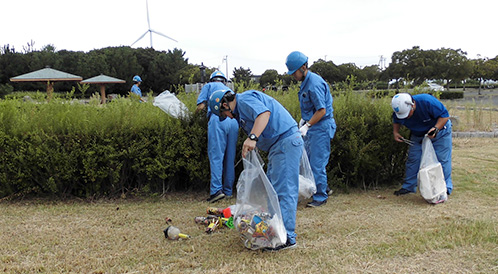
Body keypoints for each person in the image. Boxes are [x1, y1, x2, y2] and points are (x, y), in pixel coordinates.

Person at [208, 89, 303, 251]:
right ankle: (276, 233)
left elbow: (264, 114)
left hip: (285, 143)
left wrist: (253, 137)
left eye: (225, 115)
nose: (228, 118)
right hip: (277, 147)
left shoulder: (243, 100)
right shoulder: (240, 111)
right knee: (273, 191)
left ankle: (287, 238)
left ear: (225, 104)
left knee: (284, 191)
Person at [285, 51, 337, 208]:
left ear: (303, 67)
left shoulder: (313, 83)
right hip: (314, 126)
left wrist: (307, 125)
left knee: (316, 163)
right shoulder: (306, 82)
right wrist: (305, 121)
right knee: (309, 160)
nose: (293, 75)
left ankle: (321, 196)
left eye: (294, 72)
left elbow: (322, 110)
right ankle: (323, 188)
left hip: (320, 127)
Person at [391, 92, 453, 200]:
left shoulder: (427, 101)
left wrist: (436, 129)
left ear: (412, 105)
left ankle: (445, 187)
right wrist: (396, 132)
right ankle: (409, 186)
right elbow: (396, 120)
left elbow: (444, 116)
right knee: (413, 159)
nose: (407, 116)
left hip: (440, 131)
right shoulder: (399, 109)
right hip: (418, 135)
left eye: (407, 113)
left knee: (442, 159)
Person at [196, 71, 239, 203]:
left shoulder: (208, 86)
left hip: (218, 118)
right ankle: (228, 191)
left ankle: (216, 191)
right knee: (230, 157)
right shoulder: (228, 90)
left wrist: (193, 115)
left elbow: (201, 106)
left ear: (211, 79)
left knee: (216, 156)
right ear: (224, 81)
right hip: (233, 120)